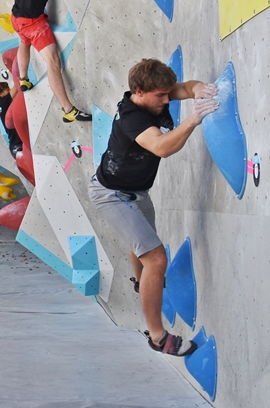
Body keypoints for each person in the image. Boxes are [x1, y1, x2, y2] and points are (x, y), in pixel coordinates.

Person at [89, 58, 218, 356]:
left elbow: (184, 87)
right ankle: (158, 337)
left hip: (137, 193)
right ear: (139, 91)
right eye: (160, 96)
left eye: (166, 94)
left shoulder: (156, 93)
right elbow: (161, 147)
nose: (166, 100)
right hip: (111, 194)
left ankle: (141, 284)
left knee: (142, 245)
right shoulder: (132, 117)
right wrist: (193, 119)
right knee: (156, 260)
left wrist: (198, 89)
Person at [12, 0, 91, 123]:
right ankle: (68, 110)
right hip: (33, 22)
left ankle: (23, 79)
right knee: (54, 63)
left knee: (24, 42)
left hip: (18, 17)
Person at [0, 82, 23, 156]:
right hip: (17, 145)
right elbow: (16, 87)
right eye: (7, 89)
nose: (10, 89)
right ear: (1, 94)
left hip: (15, 145)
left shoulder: (1, 105)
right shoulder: (2, 103)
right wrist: (21, 77)